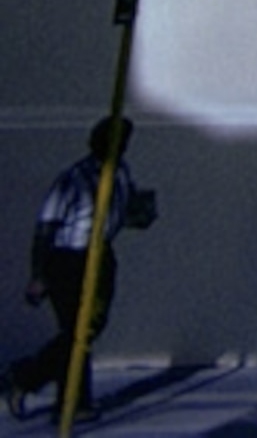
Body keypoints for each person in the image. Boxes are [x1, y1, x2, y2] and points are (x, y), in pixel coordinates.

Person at [8, 118, 153, 425]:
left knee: (88, 328)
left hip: (101, 255)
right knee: (77, 330)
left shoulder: (121, 174)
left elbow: (124, 211)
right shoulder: (74, 178)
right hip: (69, 258)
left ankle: (27, 376)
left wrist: (139, 213)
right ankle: (72, 401)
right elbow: (46, 226)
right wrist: (38, 274)